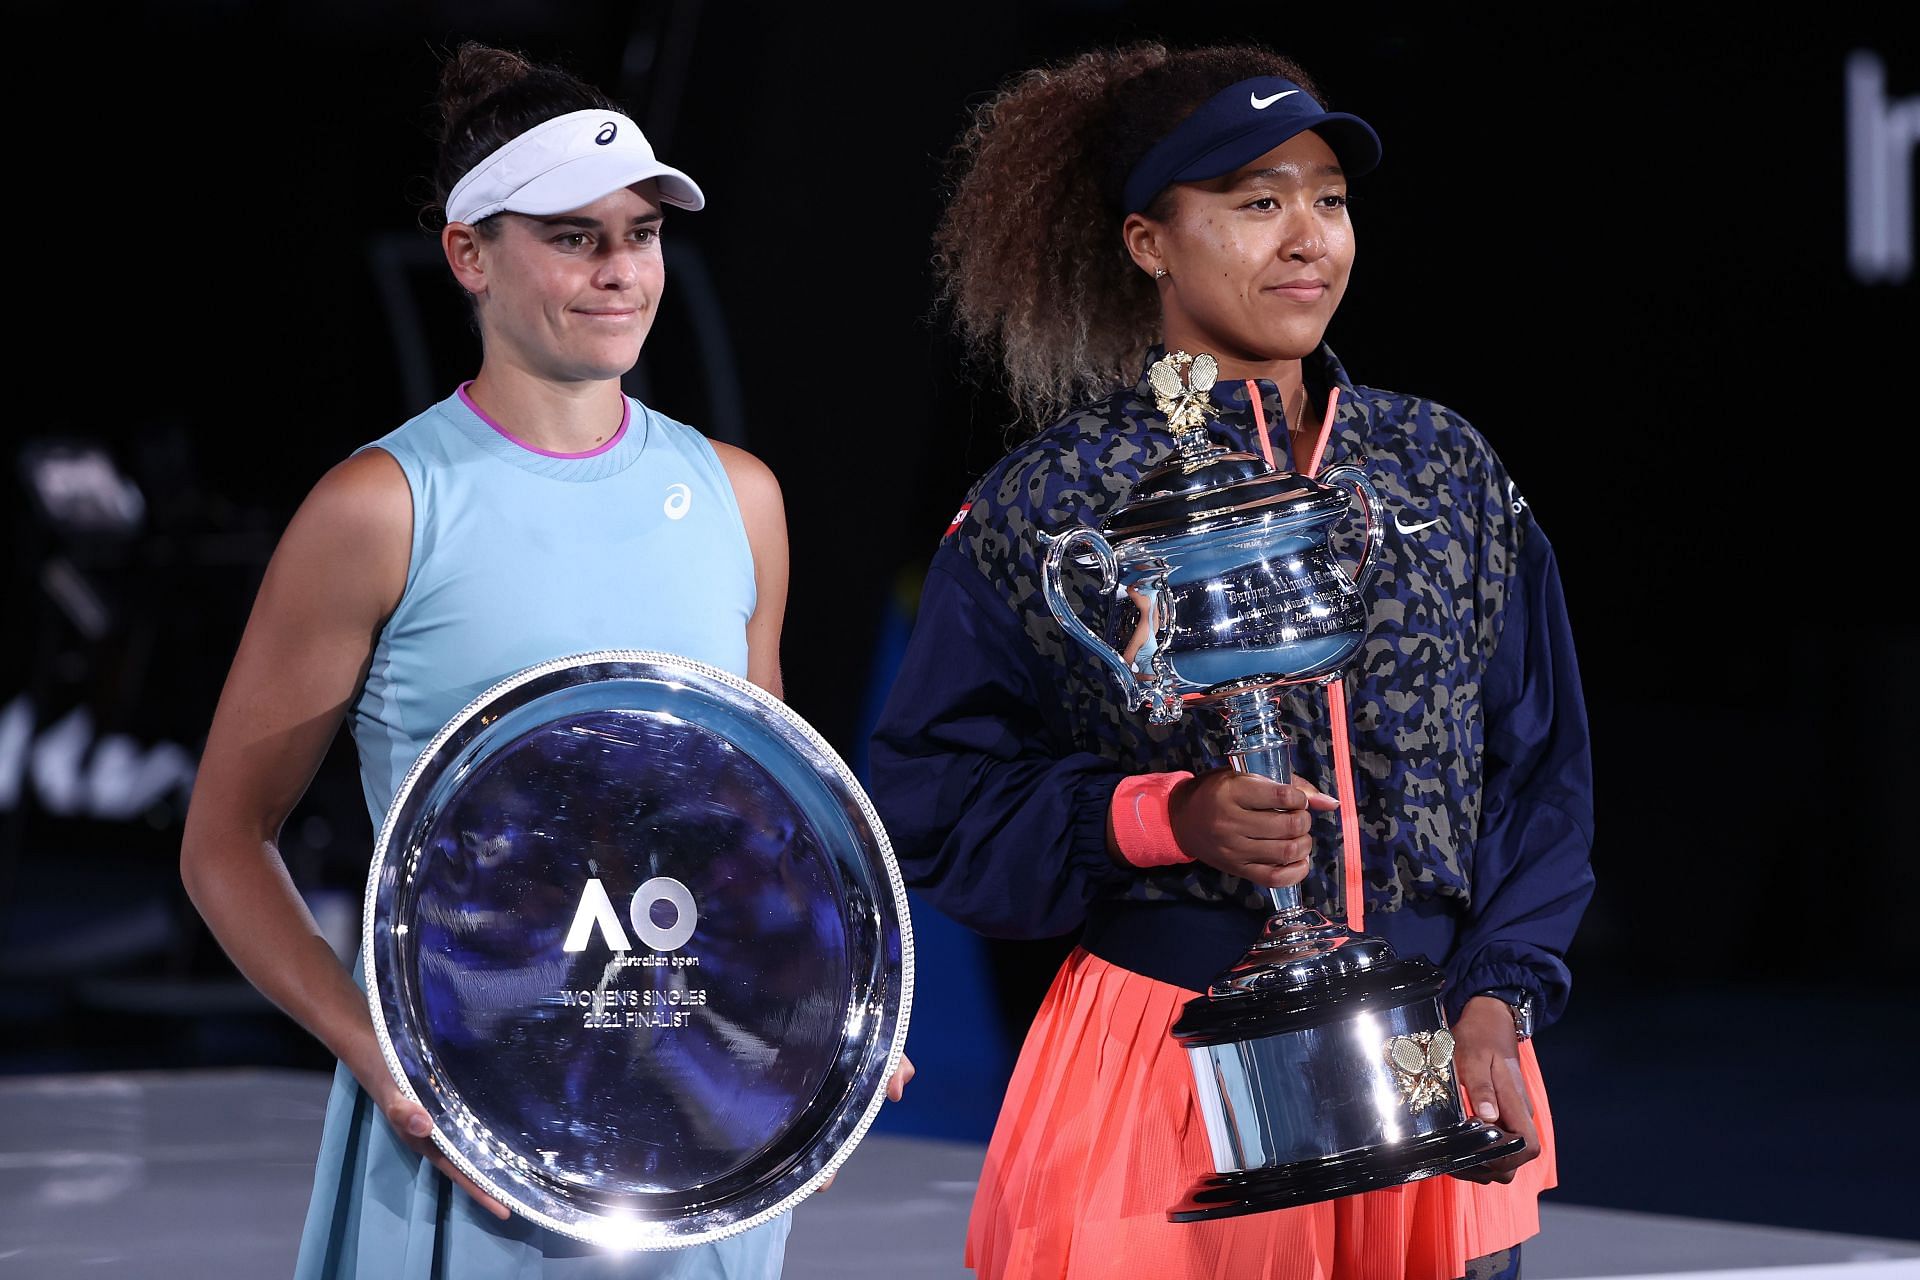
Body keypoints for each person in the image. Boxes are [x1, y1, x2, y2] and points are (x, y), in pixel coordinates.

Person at [180, 42, 905, 1279]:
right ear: (469, 253)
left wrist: (834, 1001)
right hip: (473, 1150)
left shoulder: (739, 496)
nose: (621, 269)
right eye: (573, 237)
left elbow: (763, 834)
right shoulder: (382, 507)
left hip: (699, 1135)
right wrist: (388, 1060)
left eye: (640, 233)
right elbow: (222, 844)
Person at [870, 42, 1592, 1280]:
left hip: (1434, 1044)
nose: (1308, 236)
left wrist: (1498, 996)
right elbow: (932, 794)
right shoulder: (1050, 504)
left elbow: (1539, 762)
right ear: (1150, 240)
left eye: (1328, 197)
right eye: (1258, 202)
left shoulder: (1443, 466)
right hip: (1162, 1060)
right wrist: (1167, 815)